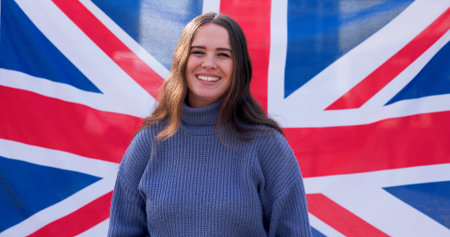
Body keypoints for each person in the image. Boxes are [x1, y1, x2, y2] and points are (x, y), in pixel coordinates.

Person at [108, 12, 312, 236]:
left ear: (238, 67)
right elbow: (122, 231)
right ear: (182, 59)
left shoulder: (265, 145)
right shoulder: (149, 142)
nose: (209, 64)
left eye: (223, 55)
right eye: (198, 52)